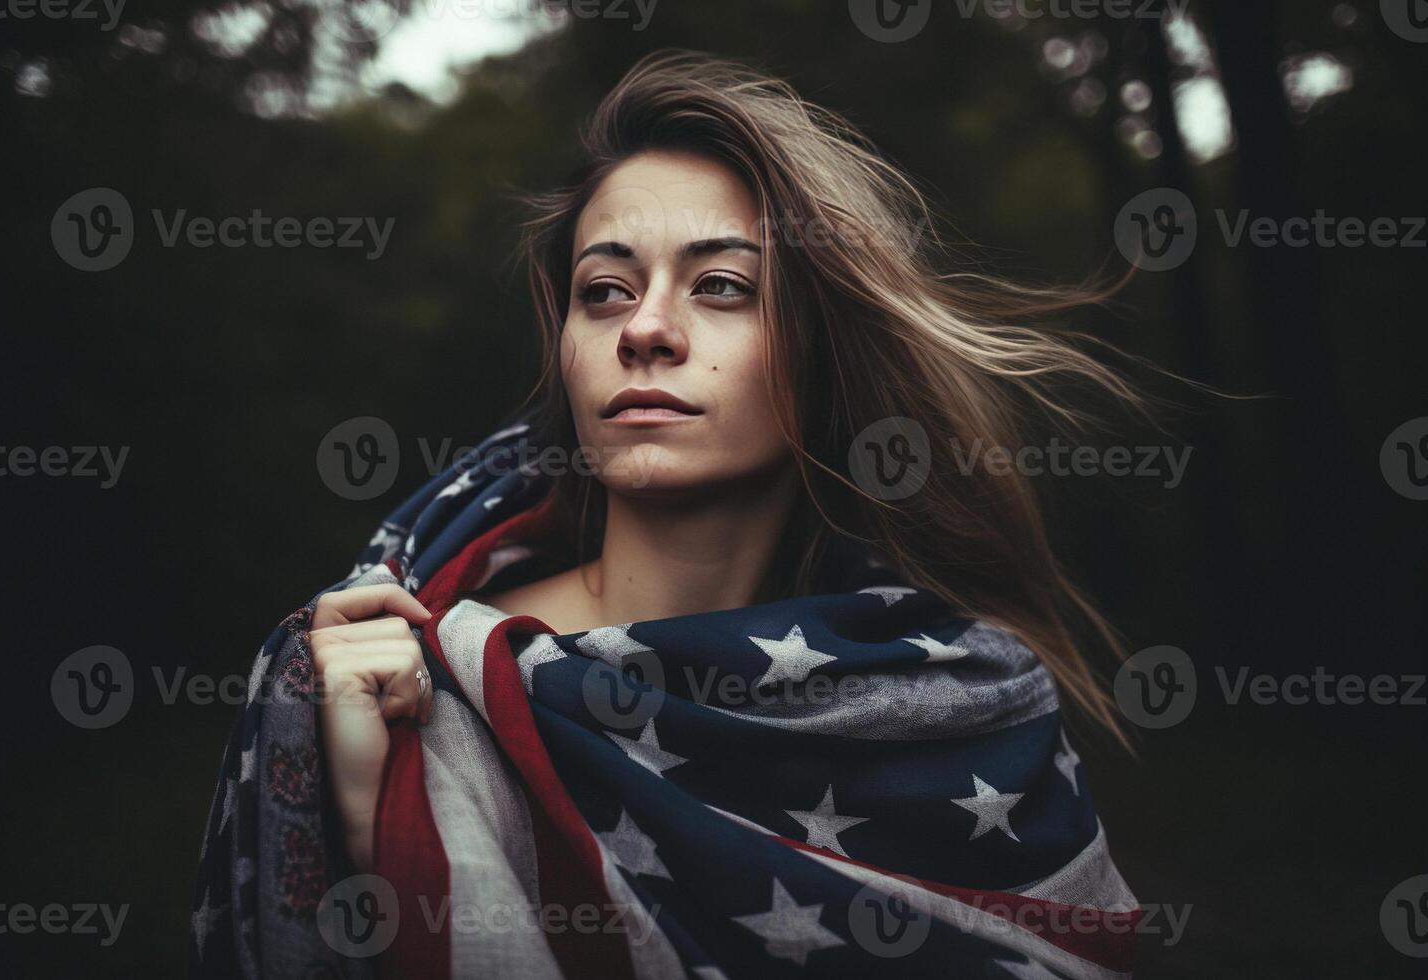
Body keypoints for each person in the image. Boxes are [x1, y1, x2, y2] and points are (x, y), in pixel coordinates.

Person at [193, 50, 1144, 979]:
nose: (644, 328)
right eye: (602, 291)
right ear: (564, 349)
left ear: (821, 350)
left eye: (722, 285)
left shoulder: (963, 706)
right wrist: (378, 813)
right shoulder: (408, 675)